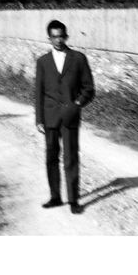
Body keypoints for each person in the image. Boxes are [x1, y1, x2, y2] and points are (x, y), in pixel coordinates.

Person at [35, 19, 95, 214]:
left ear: (66, 36)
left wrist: (77, 104)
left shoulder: (78, 58)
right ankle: (55, 197)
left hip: (70, 116)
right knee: (51, 157)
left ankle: (73, 200)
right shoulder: (43, 62)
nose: (58, 40)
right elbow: (39, 92)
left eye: (61, 36)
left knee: (71, 158)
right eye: (54, 37)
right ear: (49, 38)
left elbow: (89, 88)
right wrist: (39, 119)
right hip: (50, 116)